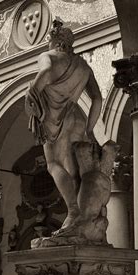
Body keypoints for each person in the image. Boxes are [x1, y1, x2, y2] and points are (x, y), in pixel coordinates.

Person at [25, 18, 102, 234]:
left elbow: (46, 72)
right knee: (74, 169)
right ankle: (83, 217)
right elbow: (97, 98)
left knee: (53, 164)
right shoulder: (83, 66)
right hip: (76, 115)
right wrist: (90, 128)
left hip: (54, 118)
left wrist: (33, 92)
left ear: (55, 42)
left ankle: (73, 210)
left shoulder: (48, 57)